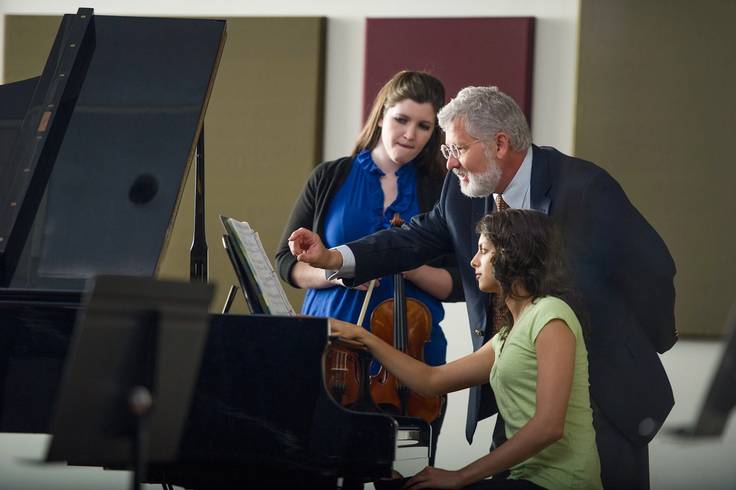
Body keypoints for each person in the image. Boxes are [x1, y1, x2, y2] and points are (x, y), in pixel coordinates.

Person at [288, 86, 677, 488]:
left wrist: (637, 343)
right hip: (513, 383)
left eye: (457, 148)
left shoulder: (585, 187)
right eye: (446, 151)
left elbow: (653, 268)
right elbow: (412, 239)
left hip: (606, 392)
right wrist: (334, 259)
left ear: (501, 144)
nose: (451, 162)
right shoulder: (463, 193)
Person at [332, 210, 602, 489]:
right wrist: (365, 338)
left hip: (561, 483)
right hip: (525, 479)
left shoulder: (550, 315)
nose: (473, 261)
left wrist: (459, 476)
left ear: (513, 256)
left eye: (483, 251)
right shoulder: (507, 335)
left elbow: (549, 426)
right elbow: (431, 381)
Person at [275, 70, 462, 464]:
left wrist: (403, 264)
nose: (410, 134)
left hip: (412, 357)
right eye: (401, 119)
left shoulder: (442, 188)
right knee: (318, 469)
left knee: (406, 474)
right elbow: (287, 263)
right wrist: (336, 271)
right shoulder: (330, 176)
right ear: (381, 115)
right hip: (332, 349)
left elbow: (458, 283)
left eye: (424, 126)